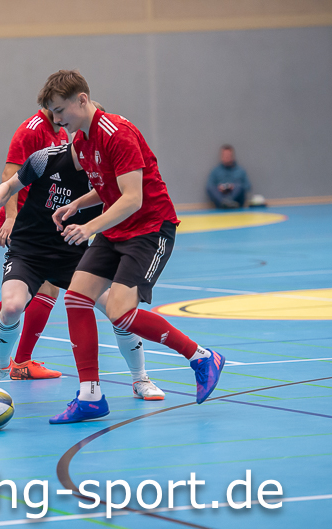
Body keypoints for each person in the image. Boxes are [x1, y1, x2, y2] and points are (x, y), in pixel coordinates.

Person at [34, 70, 225, 423]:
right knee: (76, 299)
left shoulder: (117, 133)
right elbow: (108, 186)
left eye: (60, 111)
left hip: (150, 230)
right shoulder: (81, 140)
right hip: (116, 229)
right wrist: (77, 204)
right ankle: (90, 395)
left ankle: (201, 357)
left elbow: (133, 197)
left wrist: (88, 226)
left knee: (121, 312)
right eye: (52, 114)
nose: (57, 120)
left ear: (82, 100)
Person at [0, 141, 165, 400]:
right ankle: (0, 366)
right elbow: (9, 185)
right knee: (11, 307)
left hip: (74, 255)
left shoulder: (105, 172)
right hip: (28, 251)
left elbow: (126, 206)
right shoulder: (45, 159)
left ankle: (140, 378)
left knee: (119, 310)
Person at [0, 108, 69, 380]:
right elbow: (10, 173)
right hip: (24, 220)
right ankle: (18, 360)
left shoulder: (62, 131)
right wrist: (11, 217)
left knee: (40, 287)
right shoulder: (31, 129)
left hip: (43, 221)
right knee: (42, 285)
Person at [206, 144, 250, 209]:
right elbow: (209, 186)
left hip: (236, 201)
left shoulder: (240, 170)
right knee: (211, 188)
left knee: (239, 186)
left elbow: (247, 186)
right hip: (221, 198)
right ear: (221, 156)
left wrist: (234, 187)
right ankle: (224, 203)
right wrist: (219, 188)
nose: (227, 157)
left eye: (228, 155)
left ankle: (229, 202)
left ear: (232, 156)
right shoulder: (215, 171)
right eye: (225, 155)